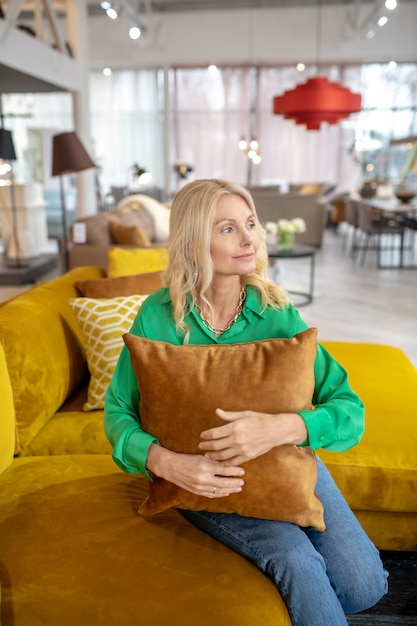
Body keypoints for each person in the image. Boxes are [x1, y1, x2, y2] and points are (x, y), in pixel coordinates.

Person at [104, 178, 388, 625]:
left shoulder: (276, 311)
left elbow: (349, 407)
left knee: (364, 584)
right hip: (209, 482)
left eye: (250, 223)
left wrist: (287, 428)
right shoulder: (156, 316)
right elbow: (118, 411)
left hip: (285, 459)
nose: (250, 238)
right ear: (194, 240)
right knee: (295, 559)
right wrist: (165, 462)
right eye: (228, 228)